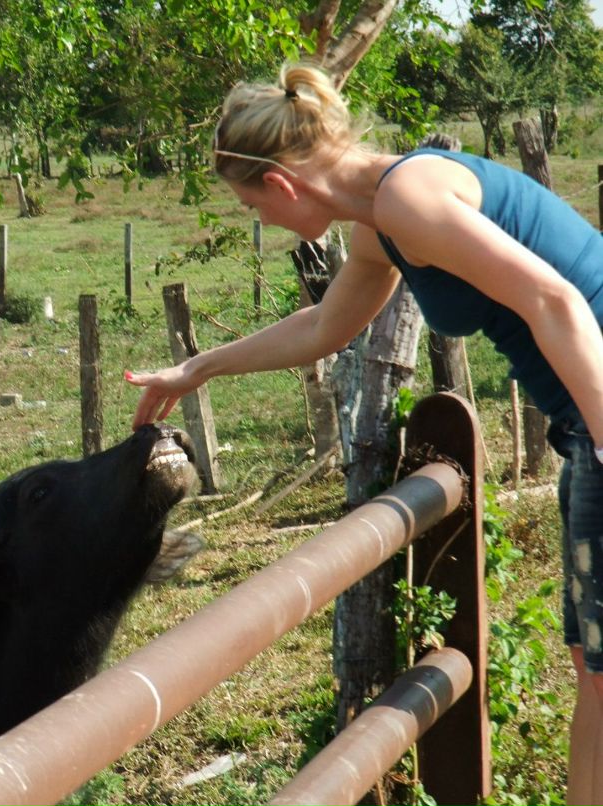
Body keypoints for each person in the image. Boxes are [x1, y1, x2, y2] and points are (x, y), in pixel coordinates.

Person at [125, 61, 603, 801]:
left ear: (281, 186)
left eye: (253, 206)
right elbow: (325, 325)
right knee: (594, 669)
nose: (264, 222)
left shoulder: (409, 199)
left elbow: (558, 301)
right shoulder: (385, 221)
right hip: (586, 427)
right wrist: (199, 369)